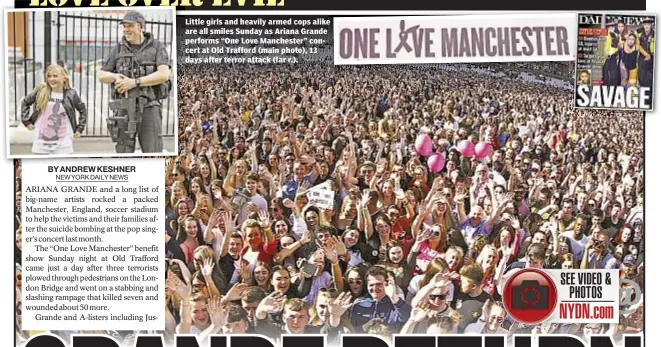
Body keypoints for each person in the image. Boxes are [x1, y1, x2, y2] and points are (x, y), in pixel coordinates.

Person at [98, 10, 171, 153]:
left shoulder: (156, 47)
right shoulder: (118, 49)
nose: (126, 29)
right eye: (124, 26)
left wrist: (135, 82)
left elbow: (164, 74)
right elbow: (101, 74)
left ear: (141, 27)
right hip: (124, 108)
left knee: (153, 152)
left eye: (130, 26)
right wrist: (115, 77)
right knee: (123, 153)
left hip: (149, 107)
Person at [21, 61, 87, 155]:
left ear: (64, 78)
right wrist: (26, 121)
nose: (51, 79)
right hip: (41, 144)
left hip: (63, 145)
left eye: (55, 76)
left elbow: (82, 110)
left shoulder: (71, 94)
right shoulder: (40, 91)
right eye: (49, 76)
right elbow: (25, 102)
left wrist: (80, 128)